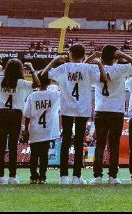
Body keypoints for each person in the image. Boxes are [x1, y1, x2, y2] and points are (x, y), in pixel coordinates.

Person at [42, 43, 107, 185]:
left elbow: (45, 74)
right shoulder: (88, 68)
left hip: (67, 108)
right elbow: (102, 79)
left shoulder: (64, 68)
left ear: (70, 54)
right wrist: (99, 64)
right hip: (83, 109)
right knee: (78, 143)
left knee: (65, 142)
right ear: (83, 56)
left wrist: (53, 61)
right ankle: (77, 176)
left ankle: (63, 176)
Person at [89, 45, 132, 186]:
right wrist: (123, 55)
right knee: (114, 145)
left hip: (100, 110)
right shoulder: (121, 69)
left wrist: (94, 58)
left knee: (99, 145)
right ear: (115, 56)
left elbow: (82, 67)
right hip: (116, 112)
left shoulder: (95, 68)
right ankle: (112, 176)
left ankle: (97, 176)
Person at [0, 56, 39, 185]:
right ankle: (12, 176)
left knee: (1, 146)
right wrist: (31, 69)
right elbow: (37, 84)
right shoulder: (21, 83)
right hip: (16, 114)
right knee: (13, 146)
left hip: (1, 113)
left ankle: (0, 176)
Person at [23, 72, 61, 185]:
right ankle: (43, 177)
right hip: (47, 130)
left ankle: (33, 176)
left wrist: (26, 130)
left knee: (34, 155)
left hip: (35, 129)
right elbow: (63, 88)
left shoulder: (32, 96)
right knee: (44, 155)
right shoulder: (54, 94)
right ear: (49, 81)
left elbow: (27, 115)